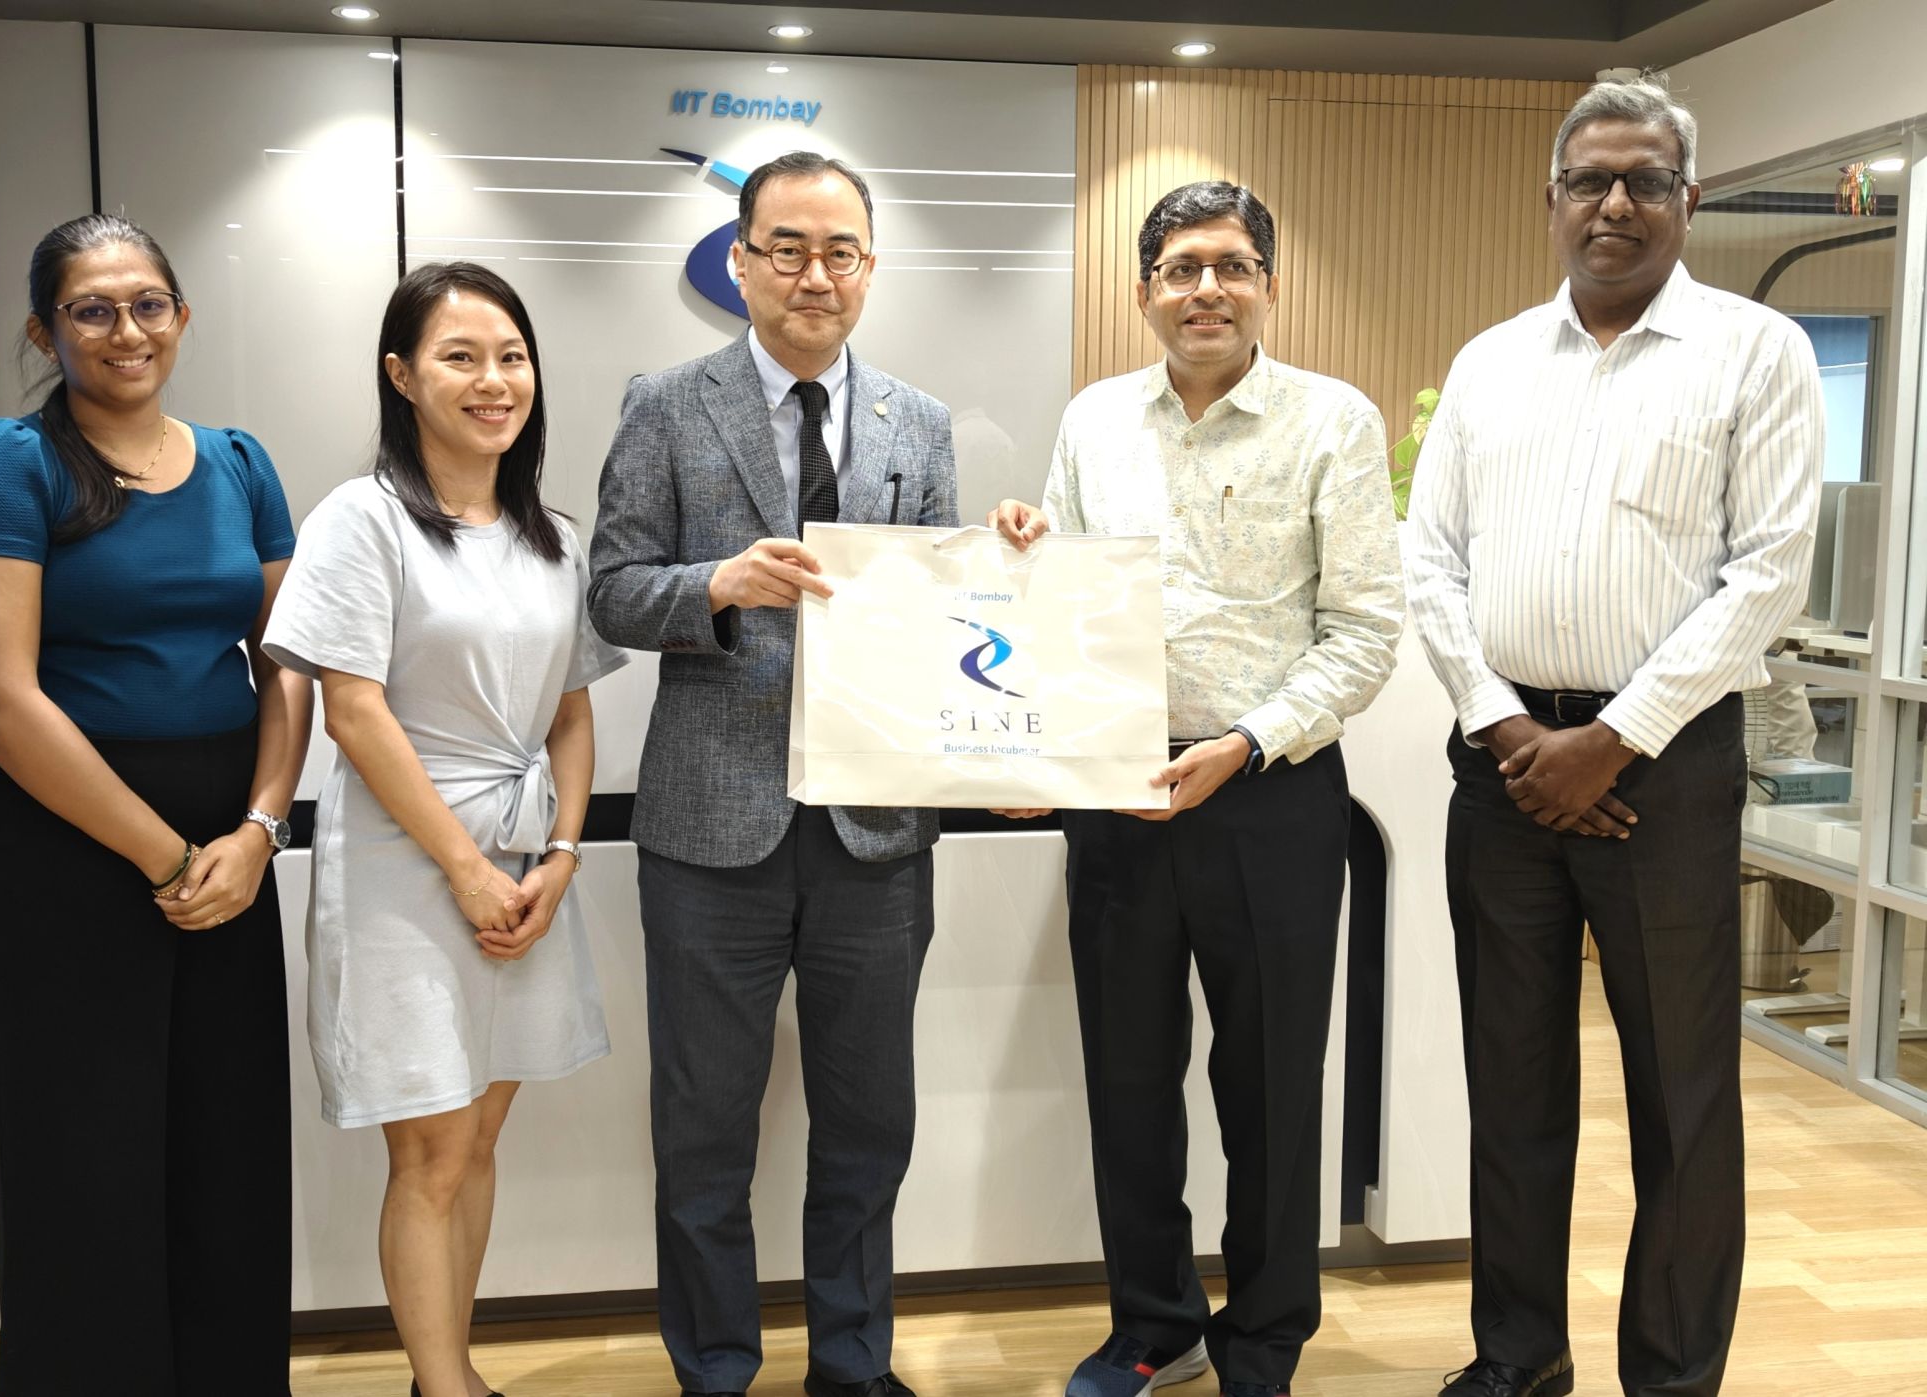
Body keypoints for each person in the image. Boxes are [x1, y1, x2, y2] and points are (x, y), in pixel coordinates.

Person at [1404, 77, 1823, 1397]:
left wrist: (1618, 737)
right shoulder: (1488, 363)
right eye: (1590, 179)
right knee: (1511, 1088)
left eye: (1645, 178)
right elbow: (1431, 563)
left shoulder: (1758, 353)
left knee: (1683, 1101)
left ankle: (1674, 1374)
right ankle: (1518, 1361)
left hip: (1672, 770)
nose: (1617, 202)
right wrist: (1510, 728)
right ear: (1553, 200)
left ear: (1688, 198)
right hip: (1506, 766)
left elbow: (1767, 575)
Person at [989, 180, 1404, 1397]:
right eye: (1179, 268)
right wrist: (1021, 544)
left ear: (1267, 284)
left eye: (1228, 265)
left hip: (1269, 790)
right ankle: (1152, 1321)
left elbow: (1364, 632)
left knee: (1270, 1078)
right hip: (1115, 793)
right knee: (1126, 1073)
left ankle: (1265, 1332)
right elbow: (1056, 605)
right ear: (1143, 291)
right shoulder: (1092, 420)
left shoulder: (1331, 421)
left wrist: (1246, 738)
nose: (1204, 288)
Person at [588, 150, 958, 1397]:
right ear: (738, 261)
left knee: (868, 1127)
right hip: (708, 829)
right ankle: (715, 1369)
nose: (814, 273)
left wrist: (1001, 560)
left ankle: (852, 1365)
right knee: (702, 1131)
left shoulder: (922, 422)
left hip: (875, 829)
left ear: (869, 265)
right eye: (786, 247)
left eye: (839, 250)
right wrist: (715, 585)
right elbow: (611, 589)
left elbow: (940, 617)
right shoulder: (664, 402)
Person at [0, 213, 311, 1393]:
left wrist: (256, 828)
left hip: (228, 832)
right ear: (47, 330)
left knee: (227, 1139)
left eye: (148, 302)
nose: (125, 328)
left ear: (182, 317)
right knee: (82, 1146)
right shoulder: (9, 459)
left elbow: (286, 659)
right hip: (71, 835)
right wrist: (164, 854)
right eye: (91, 309)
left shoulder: (241, 461)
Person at [261, 262, 626, 1397]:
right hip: (405, 869)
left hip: (525, 865)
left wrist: (559, 857)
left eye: (510, 356)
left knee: (476, 1141)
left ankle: (446, 1372)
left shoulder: (553, 535)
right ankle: (447, 1383)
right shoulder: (360, 519)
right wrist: (467, 870)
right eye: (460, 357)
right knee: (424, 1151)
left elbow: (570, 712)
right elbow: (353, 708)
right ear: (400, 375)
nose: (492, 380)